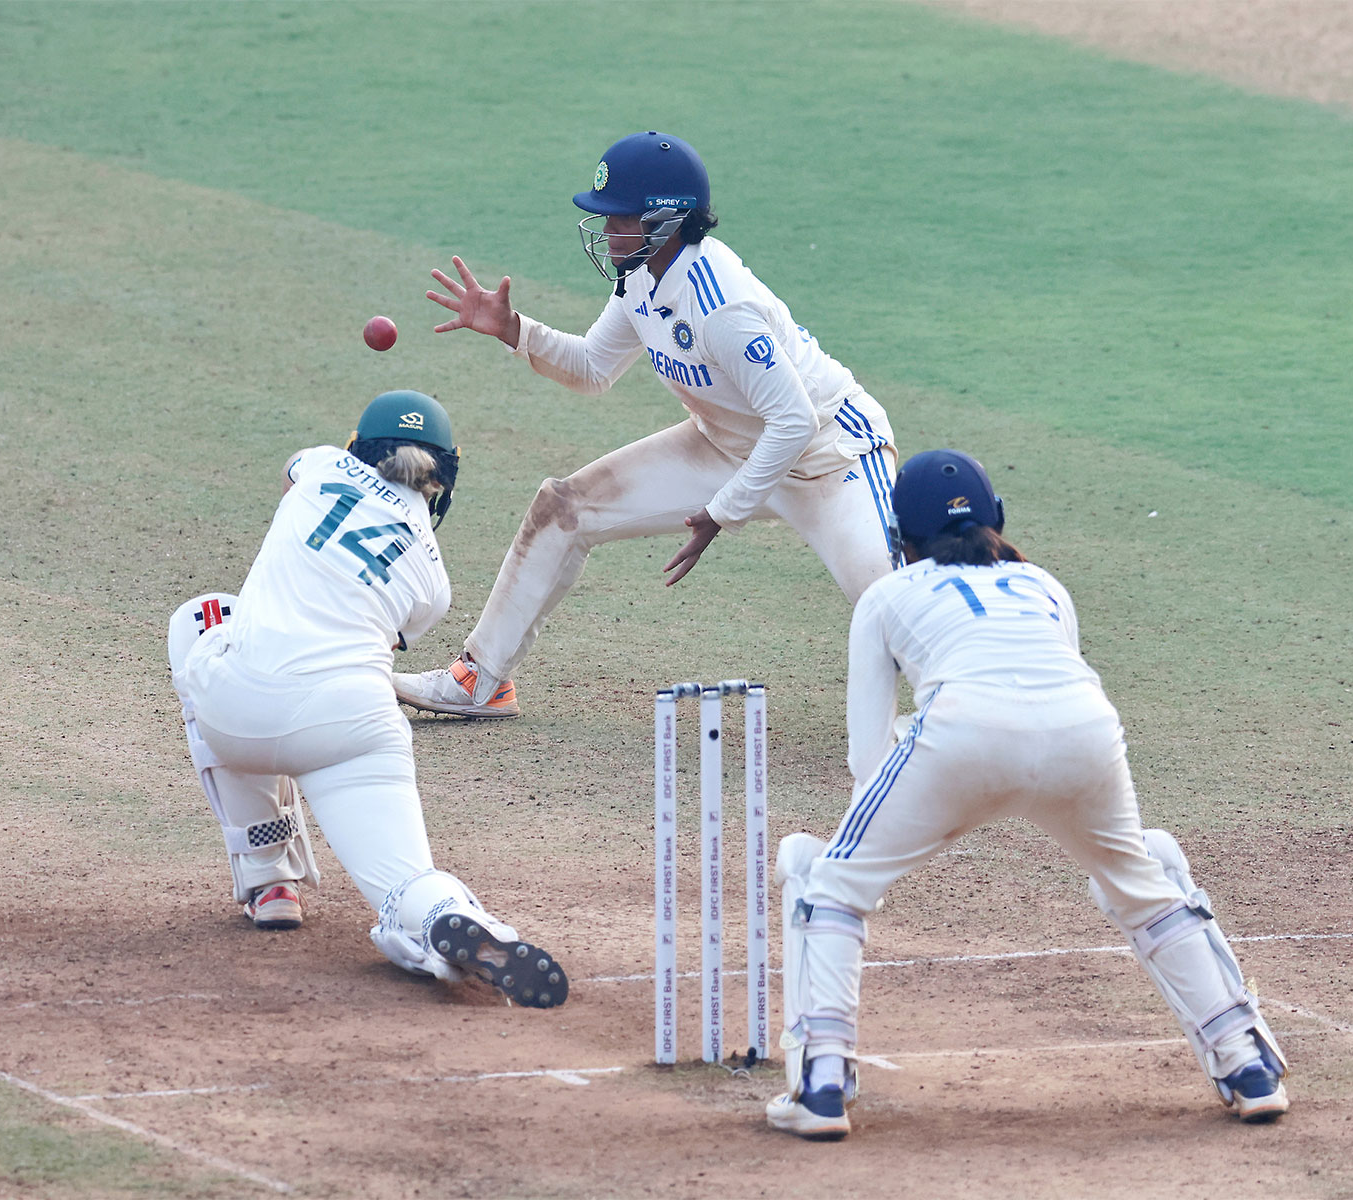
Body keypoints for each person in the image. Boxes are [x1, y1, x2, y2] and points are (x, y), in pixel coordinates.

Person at [766, 449, 1289, 1139]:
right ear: (998, 519)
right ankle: (1246, 1063)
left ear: (900, 538)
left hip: (961, 738)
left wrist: (899, 825)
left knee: (824, 879)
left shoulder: (886, 596)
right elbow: (1053, 682)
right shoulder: (1043, 584)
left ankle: (822, 1085)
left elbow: (869, 759)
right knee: (1142, 876)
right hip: (1086, 735)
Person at [393, 131, 900, 719]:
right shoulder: (641, 280)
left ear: (666, 220)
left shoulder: (720, 306)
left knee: (891, 599)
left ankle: (980, 706)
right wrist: (514, 330)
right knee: (563, 507)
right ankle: (480, 678)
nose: (607, 231)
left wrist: (723, 510)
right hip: (726, 444)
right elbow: (591, 368)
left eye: (620, 218)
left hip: (833, 456)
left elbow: (792, 420)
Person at [165, 390, 568, 1008]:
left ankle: (269, 881)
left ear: (359, 447)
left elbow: (291, 474)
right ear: (443, 478)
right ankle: (450, 923)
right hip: (356, 725)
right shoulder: (433, 583)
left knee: (202, 618)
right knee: (405, 880)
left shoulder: (322, 465)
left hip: (241, 706)